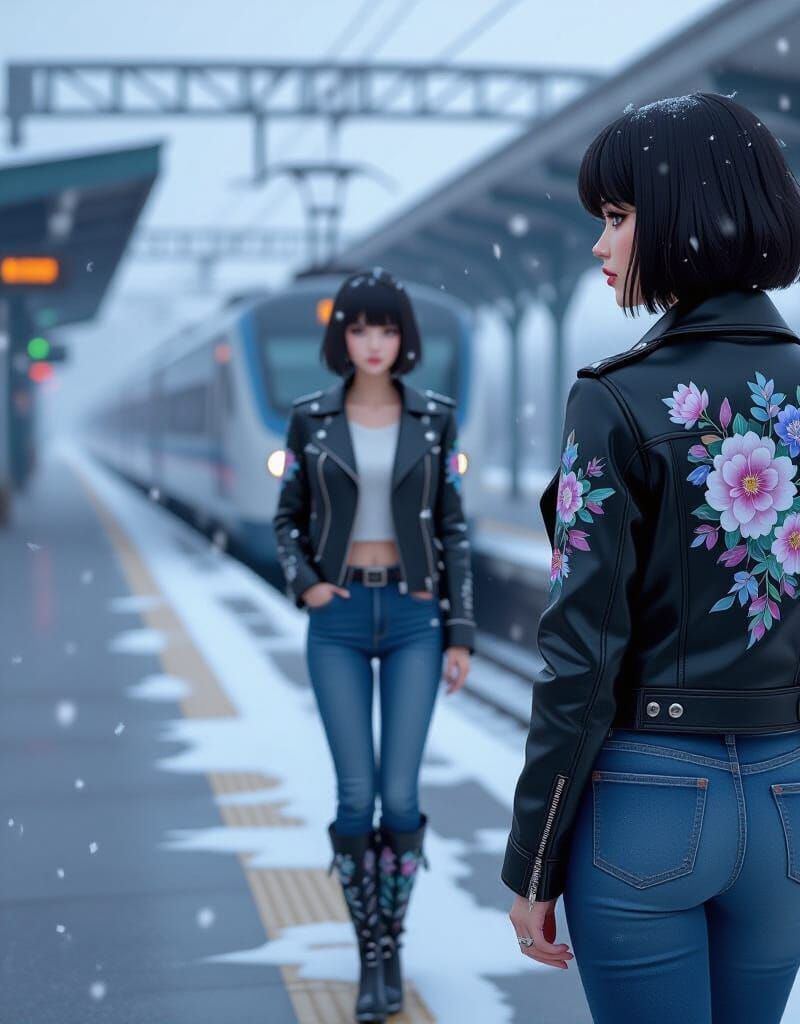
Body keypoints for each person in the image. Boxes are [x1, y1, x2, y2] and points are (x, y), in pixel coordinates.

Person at [502, 92, 800, 1024]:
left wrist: (533, 858)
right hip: (785, 808)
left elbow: (581, 656)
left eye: (616, 217)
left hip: (642, 808)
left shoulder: (615, 401)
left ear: (682, 216)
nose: (600, 246)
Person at [273, 267, 475, 1022]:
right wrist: (308, 586)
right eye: (359, 328)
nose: (373, 342)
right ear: (342, 337)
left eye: (386, 328)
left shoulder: (434, 419)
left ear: (403, 337)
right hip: (340, 618)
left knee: (401, 795)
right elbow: (287, 517)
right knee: (356, 795)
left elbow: (452, 526)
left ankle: (392, 942)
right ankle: (371, 956)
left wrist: (460, 632)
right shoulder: (311, 420)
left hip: (415, 617)